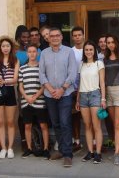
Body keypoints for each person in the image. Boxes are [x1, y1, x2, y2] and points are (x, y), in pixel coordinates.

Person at [39, 27, 77, 167]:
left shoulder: (69, 52)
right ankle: (61, 150)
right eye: (52, 36)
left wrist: (62, 89)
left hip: (65, 94)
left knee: (65, 123)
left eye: (57, 35)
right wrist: (50, 89)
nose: (54, 38)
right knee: (55, 123)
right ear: (48, 38)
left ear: (61, 37)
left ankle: (68, 154)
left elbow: (73, 72)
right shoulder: (44, 53)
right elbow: (41, 74)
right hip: (50, 94)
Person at [75, 40, 106, 164]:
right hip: (82, 95)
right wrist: (77, 99)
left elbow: (102, 82)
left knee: (96, 126)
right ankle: (90, 152)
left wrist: (103, 99)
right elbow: (79, 84)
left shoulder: (99, 63)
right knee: (87, 126)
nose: (88, 52)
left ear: (95, 51)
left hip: (95, 95)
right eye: (86, 50)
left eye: (91, 50)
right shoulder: (81, 64)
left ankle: (98, 153)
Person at [19, 44, 50, 159]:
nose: (32, 54)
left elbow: (44, 85)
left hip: (39, 101)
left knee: (43, 125)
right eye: (30, 52)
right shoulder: (22, 68)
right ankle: (29, 148)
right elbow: (20, 86)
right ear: (27, 54)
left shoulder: (41, 68)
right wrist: (26, 97)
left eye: (34, 52)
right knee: (27, 125)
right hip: (26, 101)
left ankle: (46, 148)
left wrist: (35, 96)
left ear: (37, 54)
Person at [0, 35, 19, 159]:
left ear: (11, 47)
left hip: (9, 91)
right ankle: (3, 147)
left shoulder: (15, 60)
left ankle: (10, 148)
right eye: (3, 46)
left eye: (7, 46)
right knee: (0, 122)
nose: (5, 48)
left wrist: (3, 81)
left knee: (10, 122)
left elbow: (15, 79)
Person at [103, 34, 119, 165]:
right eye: (108, 42)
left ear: (116, 43)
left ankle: (117, 153)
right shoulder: (105, 59)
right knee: (114, 123)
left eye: (112, 42)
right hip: (108, 92)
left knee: (118, 123)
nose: (110, 44)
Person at [71, 26, 84, 153]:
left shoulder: (89, 50)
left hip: (87, 88)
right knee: (75, 117)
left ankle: (95, 142)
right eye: (75, 35)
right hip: (73, 89)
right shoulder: (70, 51)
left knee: (89, 117)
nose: (77, 37)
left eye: (79, 35)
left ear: (83, 35)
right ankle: (77, 141)